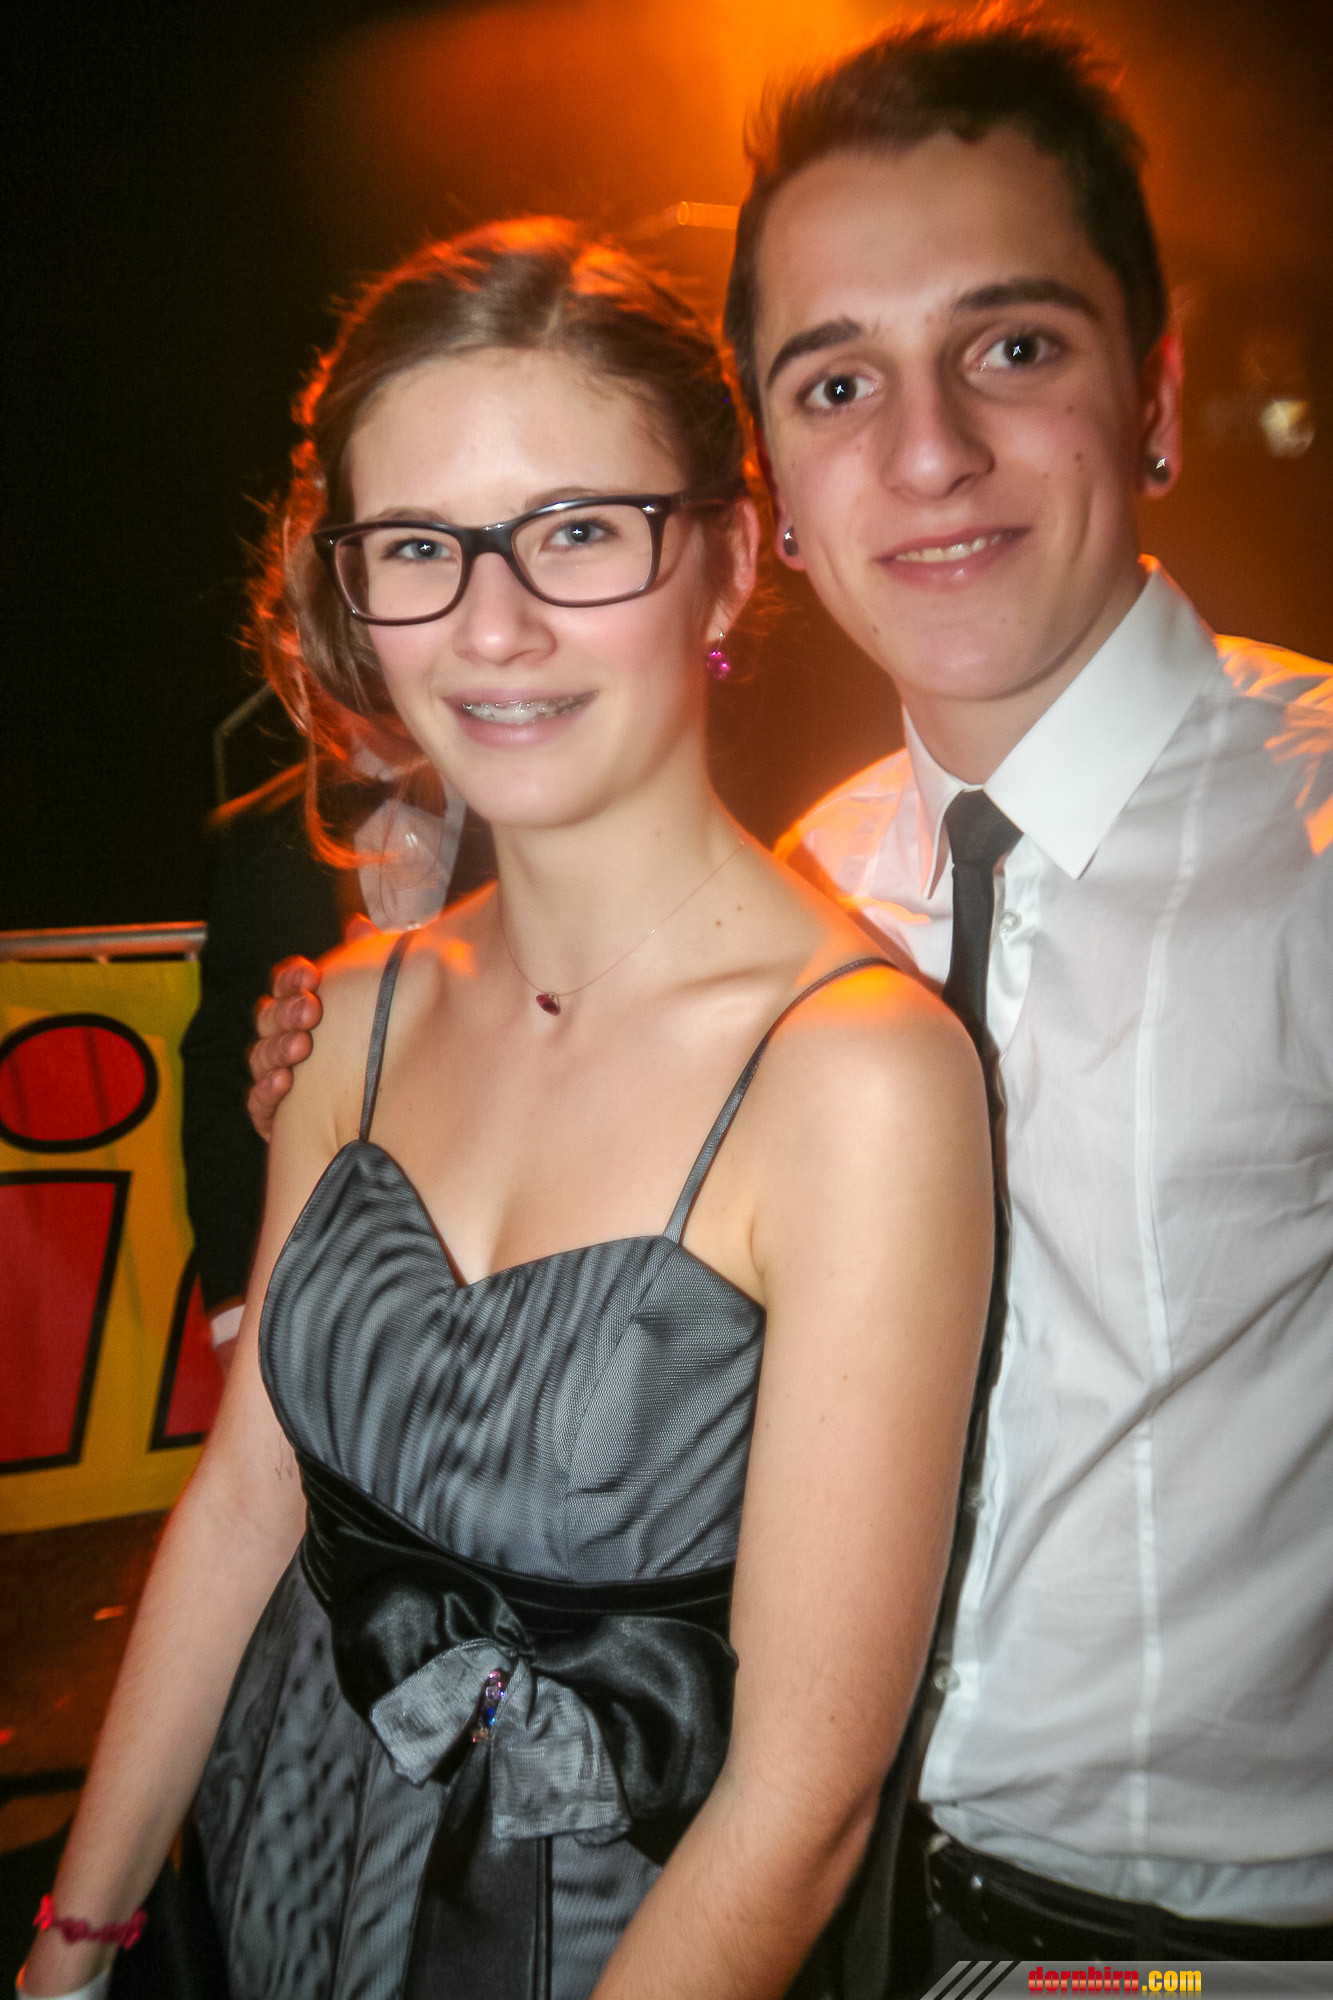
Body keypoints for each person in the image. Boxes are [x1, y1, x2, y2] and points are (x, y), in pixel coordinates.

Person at [249, 12, 1333, 1975]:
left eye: (1013, 347)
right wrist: (374, 1080)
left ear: (1157, 396)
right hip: (764, 1907)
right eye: (838, 382)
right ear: (772, 492)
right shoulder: (807, 887)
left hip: (1187, 1945)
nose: (925, 451)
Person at [21, 220, 992, 2000]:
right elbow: (245, 1507)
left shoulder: (856, 1078)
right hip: (265, 1873)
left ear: (725, 563)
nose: (491, 625)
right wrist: (74, 1946)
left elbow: (800, 1800)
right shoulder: (354, 1016)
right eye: (418, 546)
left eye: (575, 531)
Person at [181, 745, 495, 1372]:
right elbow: (221, 1066)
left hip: (519, 1250)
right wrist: (235, 1308)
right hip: (331, 1273)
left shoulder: (537, 798)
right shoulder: (256, 835)